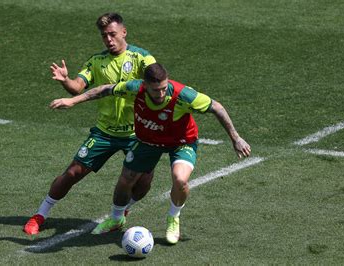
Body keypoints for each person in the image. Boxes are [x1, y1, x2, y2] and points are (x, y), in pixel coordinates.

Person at [49, 63, 251, 244]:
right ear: (145, 85)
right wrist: (73, 101)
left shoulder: (183, 95)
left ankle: (173, 218)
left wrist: (236, 138)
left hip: (181, 142)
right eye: (156, 90)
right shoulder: (134, 88)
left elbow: (217, 107)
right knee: (125, 179)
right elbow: (105, 90)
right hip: (148, 141)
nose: (161, 93)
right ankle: (116, 218)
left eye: (164, 88)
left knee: (180, 180)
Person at [24, 13, 157, 235]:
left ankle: (123, 211)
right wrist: (66, 80)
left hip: (137, 133)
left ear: (124, 32)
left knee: (144, 179)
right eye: (104, 36)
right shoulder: (97, 61)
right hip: (105, 132)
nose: (109, 40)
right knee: (73, 172)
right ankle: (40, 214)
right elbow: (78, 87)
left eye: (112, 34)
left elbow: (157, 78)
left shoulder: (142, 58)